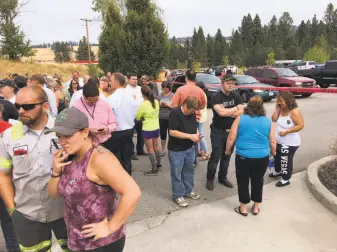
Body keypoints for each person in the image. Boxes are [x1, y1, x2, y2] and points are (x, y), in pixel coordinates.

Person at [47, 107, 141, 252]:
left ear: (85, 132)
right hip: (76, 241)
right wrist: (56, 172)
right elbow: (55, 194)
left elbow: (133, 192)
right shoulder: (71, 156)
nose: (62, 141)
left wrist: (110, 227)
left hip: (101, 244)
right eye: (59, 136)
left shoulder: (99, 158)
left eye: (68, 136)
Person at [0, 86, 68, 252]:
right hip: (27, 215)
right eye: (18, 106)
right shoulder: (9, 135)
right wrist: (11, 209)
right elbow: (3, 175)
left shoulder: (64, 129)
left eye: (28, 106)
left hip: (66, 212)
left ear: (45, 106)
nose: (21, 111)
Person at [225, 96, 276, 216]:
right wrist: (274, 152)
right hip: (262, 157)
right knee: (258, 180)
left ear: (248, 105)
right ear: (261, 107)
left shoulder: (240, 119)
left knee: (242, 181)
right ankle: (256, 207)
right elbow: (272, 140)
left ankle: (243, 207)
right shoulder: (267, 120)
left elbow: (231, 137)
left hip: (243, 156)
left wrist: (228, 150)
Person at [206, 74, 244, 191]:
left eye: (232, 83)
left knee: (227, 155)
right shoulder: (216, 97)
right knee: (216, 155)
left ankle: (222, 178)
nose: (231, 85)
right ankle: (210, 179)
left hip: (231, 132)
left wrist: (227, 110)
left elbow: (242, 111)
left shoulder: (236, 96)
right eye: (228, 83)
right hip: (218, 131)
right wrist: (234, 109)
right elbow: (220, 113)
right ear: (222, 83)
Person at [168, 96, 201, 207]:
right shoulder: (175, 113)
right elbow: (172, 132)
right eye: (191, 110)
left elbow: (194, 126)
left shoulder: (191, 113)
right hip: (176, 150)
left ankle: (188, 191)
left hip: (189, 148)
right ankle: (178, 195)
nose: (192, 112)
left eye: (194, 111)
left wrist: (197, 134)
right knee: (177, 173)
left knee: (189, 171)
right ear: (185, 105)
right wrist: (190, 136)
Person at [106, 73, 138, 175]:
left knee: (115, 158)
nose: (110, 83)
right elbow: (135, 112)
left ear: (116, 82)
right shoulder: (131, 97)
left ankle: (117, 180)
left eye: (110, 81)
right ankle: (127, 179)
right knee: (127, 157)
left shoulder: (111, 98)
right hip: (129, 130)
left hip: (116, 132)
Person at [270, 91, 304, 187]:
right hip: (279, 141)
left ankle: (285, 179)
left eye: (281, 101)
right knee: (276, 157)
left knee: (285, 160)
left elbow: (301, 125)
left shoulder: (294, 111)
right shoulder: (281, 108)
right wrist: (277, 110)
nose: (279, 103)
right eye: (278, 101)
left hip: (290, 142)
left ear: (289, 101)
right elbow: (273, 119)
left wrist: (287, 131)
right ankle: (277, 171)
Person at [0, 104, 20, 252]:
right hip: (7, 180)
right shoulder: (10, 129)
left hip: (5, 178)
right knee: (9, 221)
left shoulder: (9, 129)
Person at [73, 82, 117, 146]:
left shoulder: (104, 104)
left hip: (106, 143)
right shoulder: (76, 107)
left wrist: (107, 129)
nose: (93, 103)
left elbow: (114, 123)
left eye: (96, 101)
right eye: (90, 102)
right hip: (86, 144)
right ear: (84, 97)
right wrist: (88, 131)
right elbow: (74, 128)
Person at [136, 85, 161, 176]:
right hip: (156, 127)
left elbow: (138, 117)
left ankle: (154, 169)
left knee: (150, 149)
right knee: (156, 147)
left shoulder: (143, 104)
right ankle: (158, 164)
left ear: (142, 94)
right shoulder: (156, 101)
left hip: (147, 128)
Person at [126, 73, 145, 157]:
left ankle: (140, 150)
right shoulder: (126, 90)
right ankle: (131, 152)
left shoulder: (140, 89)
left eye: (136, 79)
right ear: (128, 80)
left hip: (140, 115)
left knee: (141, 134)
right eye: (133, 79)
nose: (135, 81)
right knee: (130, 135)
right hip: (130, 116)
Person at [157, 82, 174, 156]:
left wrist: (168, 105)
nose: (165, 90)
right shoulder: (160, 96)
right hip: (161, 117)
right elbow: (156, 106)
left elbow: (175, 107)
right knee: (163, 134)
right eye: (163, 88)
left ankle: (171, 149)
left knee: (171, 133)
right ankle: (163, 149)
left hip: (170, 117)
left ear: (169, 88)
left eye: (166, 88)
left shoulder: (173, 95)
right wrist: (160, 105)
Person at [196, 81, 210, 161]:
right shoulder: (203, 94)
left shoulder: (200, 95)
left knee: (200, 135)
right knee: (200, 133)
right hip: (202, 116)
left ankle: (207, 153)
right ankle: (201, 151)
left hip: (199, 117)